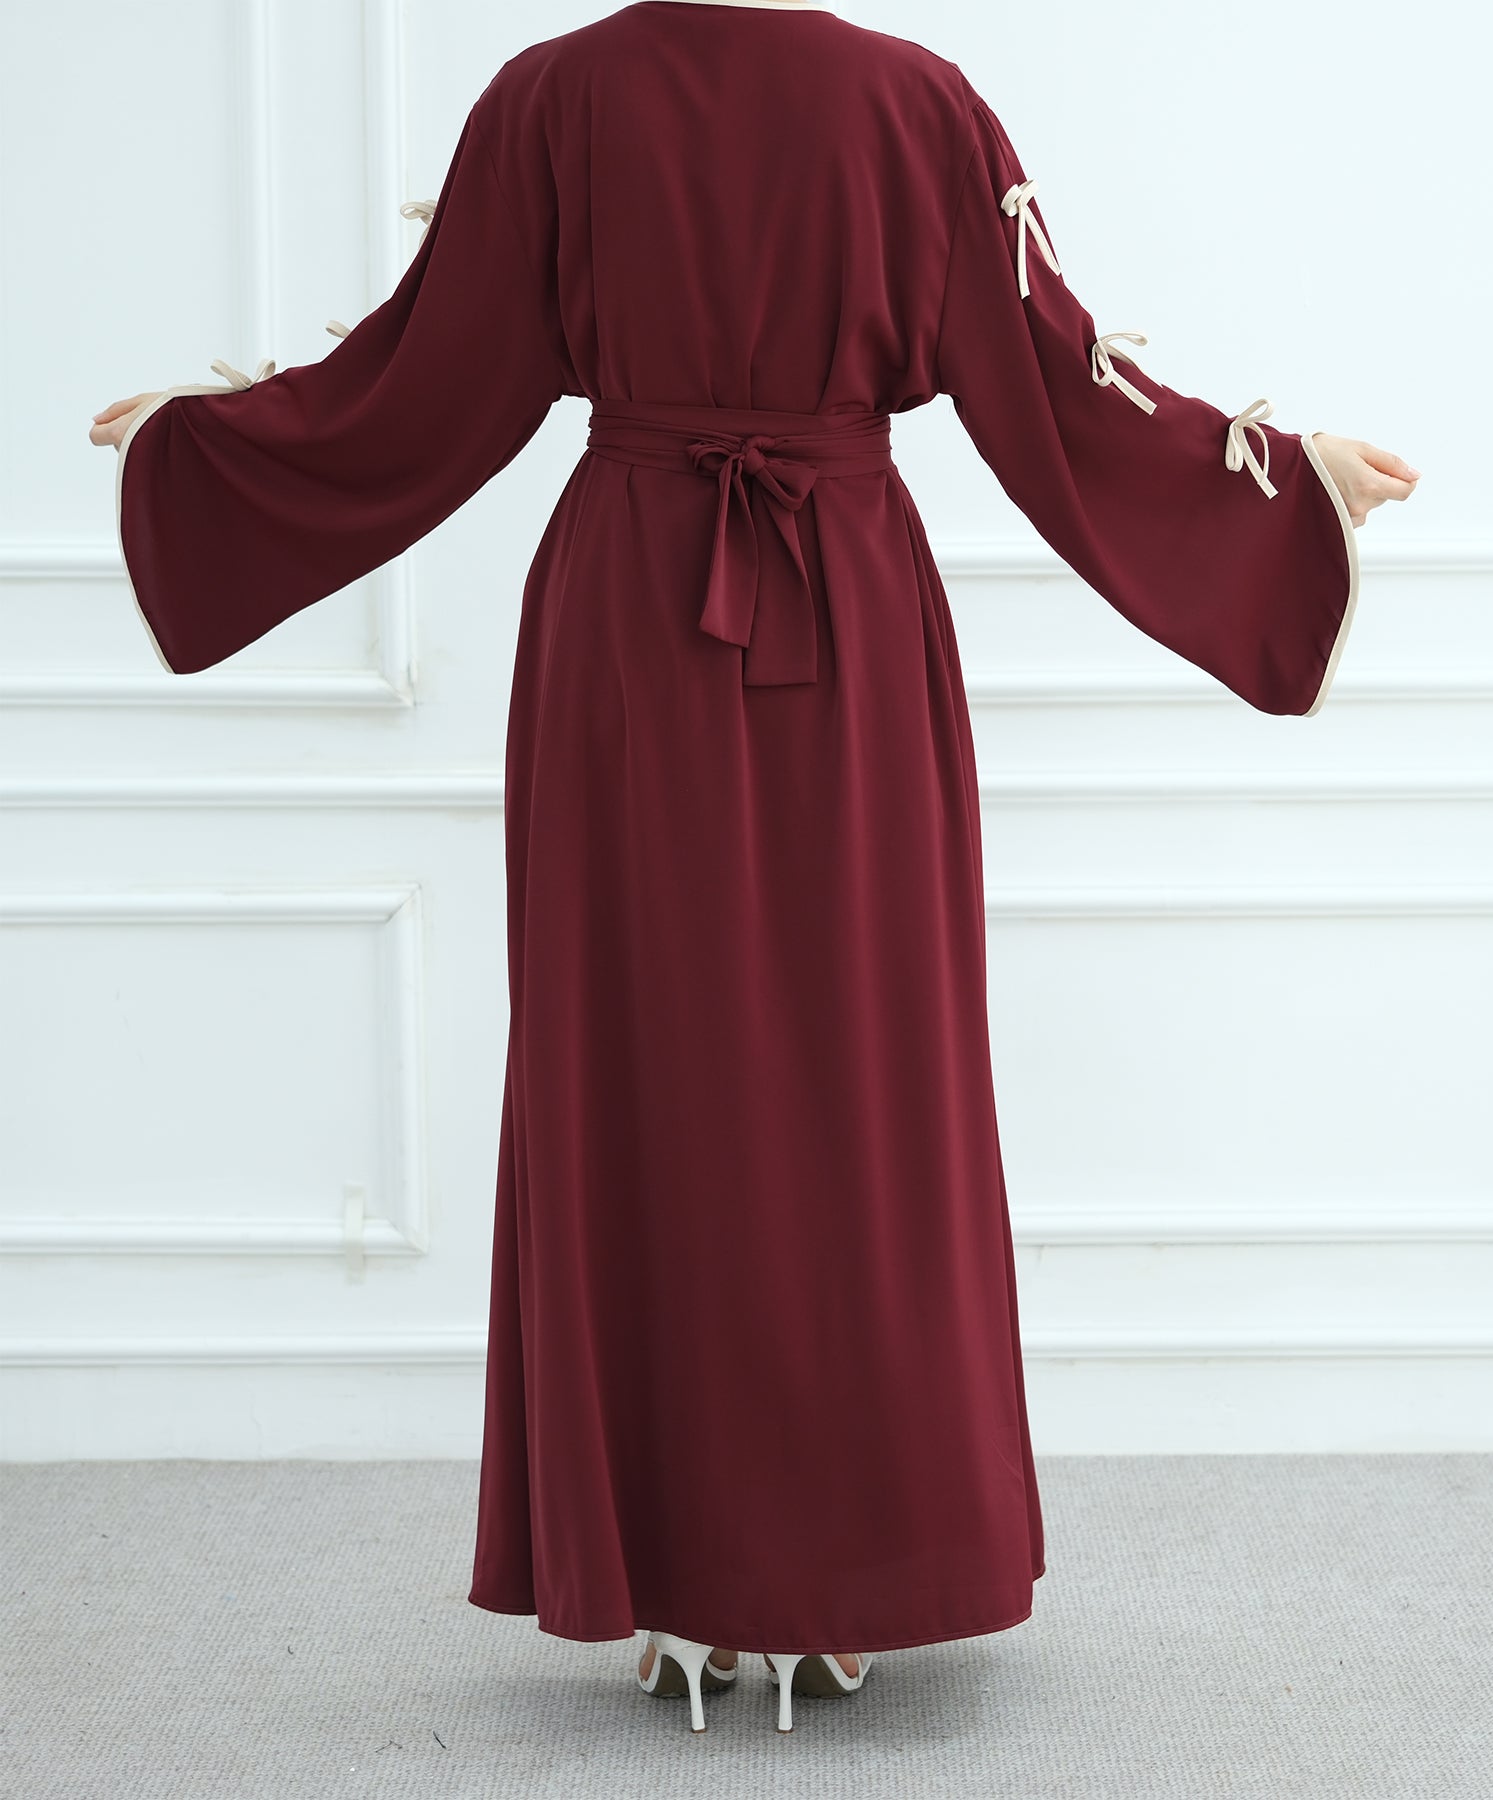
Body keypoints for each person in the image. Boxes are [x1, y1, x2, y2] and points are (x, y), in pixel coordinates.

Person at [89, 0, 1416, 1737]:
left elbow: (430, 373)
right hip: (846, 615)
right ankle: (822, 1577)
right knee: (851, 1086)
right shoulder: (914, 104)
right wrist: (1275, 492)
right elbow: (1052, 384)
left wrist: (212, 448)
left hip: (627, 626)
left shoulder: (555, 96)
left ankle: (687, 1582)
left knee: (647, 1077)